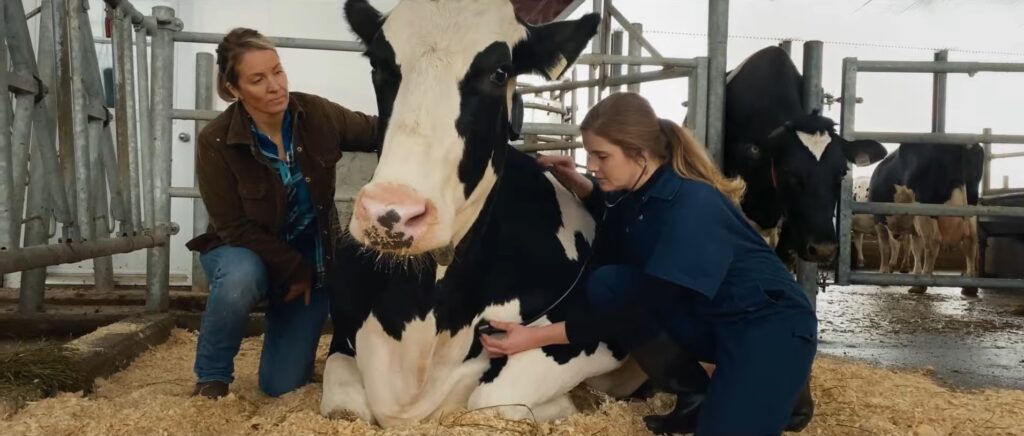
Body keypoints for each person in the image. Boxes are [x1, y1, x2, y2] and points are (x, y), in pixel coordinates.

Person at [479, 92, 817, 435]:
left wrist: (534, 337)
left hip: (767, 327)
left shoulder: (693, 207)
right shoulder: (642, 191)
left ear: (639, 154)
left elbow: (637, 308)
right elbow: (624, 217)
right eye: (589, 155)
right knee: (610, 283)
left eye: (601, 156)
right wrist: (584, 188)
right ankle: (698, 393)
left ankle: (783, 382)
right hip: (716, 319)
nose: (593, 166)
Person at [185, 28, 378, 399]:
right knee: (241, 277)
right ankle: (212, 377)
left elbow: (377, 130)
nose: (275, 86)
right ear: (234, 89)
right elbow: (232, 226)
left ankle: (289, 338)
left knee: (281, 386)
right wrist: (294, 267)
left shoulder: (317, 114)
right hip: (244, 251)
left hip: (310, 260)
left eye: (278, 71)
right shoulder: (217, 140)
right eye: (258, 79)